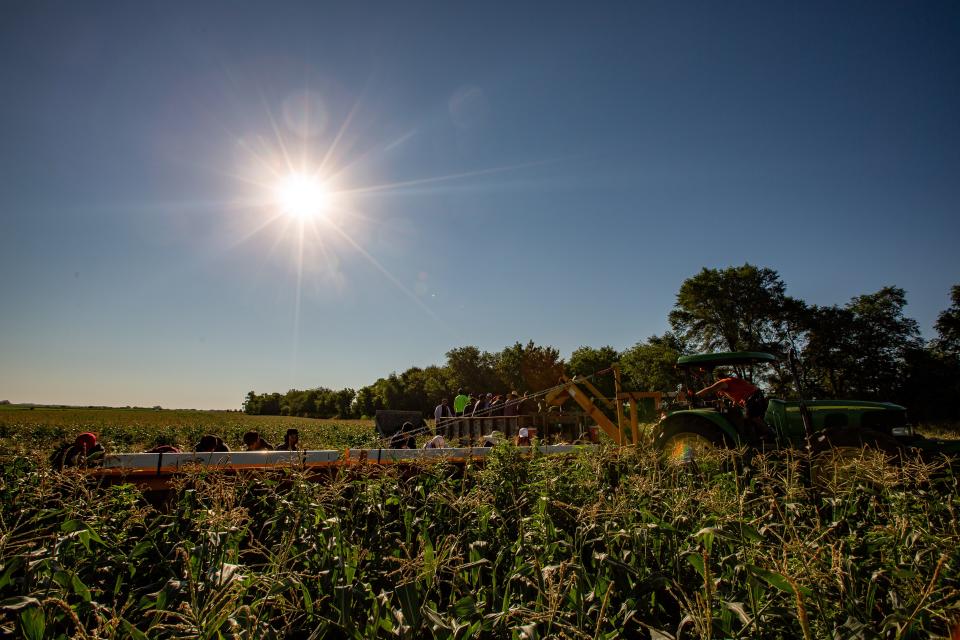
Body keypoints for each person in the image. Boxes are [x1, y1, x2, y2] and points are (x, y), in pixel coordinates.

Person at [696, 375, 771, 441]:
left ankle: (769, 434)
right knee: (750, 418)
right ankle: (760, 436)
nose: (719, 393)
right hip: (758, 396)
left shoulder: (723, 382)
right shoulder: (734, 382)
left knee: (752, 417)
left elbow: (710, 389)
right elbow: (736, 401)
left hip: (753, 398)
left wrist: (696, 396)